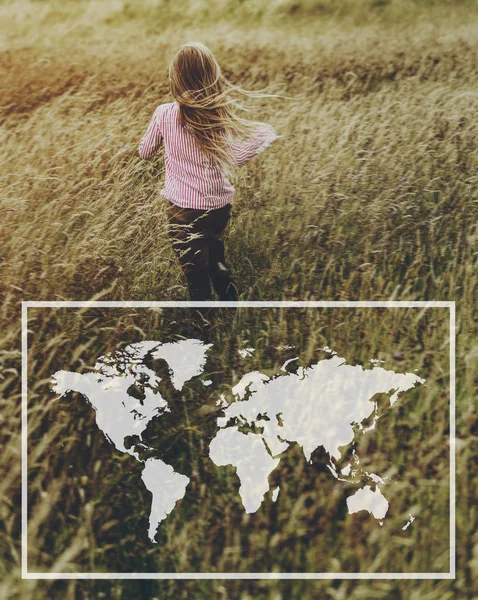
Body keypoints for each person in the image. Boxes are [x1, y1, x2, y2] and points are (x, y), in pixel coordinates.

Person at [138, 41, 279, 306]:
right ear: (209, 77)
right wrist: (265, 132)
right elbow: (237, 157)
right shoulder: (217, 115)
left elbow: (145, 152)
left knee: (195, 274)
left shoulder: (164, 114)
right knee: (215, 254)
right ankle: (230, 303)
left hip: (183, 209)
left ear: (176, 78)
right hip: (218, 207)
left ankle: (205, 326)